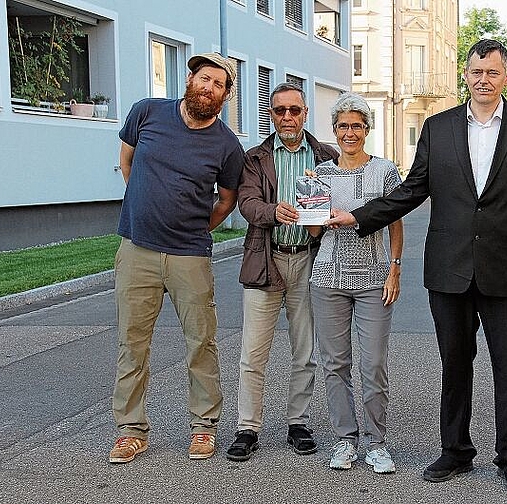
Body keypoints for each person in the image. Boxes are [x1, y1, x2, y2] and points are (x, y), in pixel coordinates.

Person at [325, 39, 507, 492]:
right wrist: (360, 216)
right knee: (455, 363)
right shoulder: (438, 128)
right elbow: (411, 190)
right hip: (449, 270)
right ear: (466, 75)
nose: (483, 80)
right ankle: (455, 451)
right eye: (476, 72)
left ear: (506, 77)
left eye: (493, 73)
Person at [108, 52, 244, 463]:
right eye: (204, 78)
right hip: (137, 249)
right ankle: (131, 431)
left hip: (190, 255)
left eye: (218, 84)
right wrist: (144, 207)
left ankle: (204, 427)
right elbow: (127, 161)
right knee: (132, 344)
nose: (209, 87)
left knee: (201, 341)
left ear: (225, 94)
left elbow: (227, 200)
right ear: (190, 79)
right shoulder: (147, 112)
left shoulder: (227, 144)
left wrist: (199, 228)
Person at [227, 83, 338, 461]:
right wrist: (272, 212)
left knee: (304, 350)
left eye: (294, 110)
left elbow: (339, 203)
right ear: (270, 115)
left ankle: (298, 423)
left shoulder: (327, 155)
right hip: (266, 258)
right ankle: (247, 428)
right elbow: (247, 202)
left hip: (310, 258)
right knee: (253, 352)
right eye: (279, 111)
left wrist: (324, 222)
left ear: (306, 113)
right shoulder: (255, 157)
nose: (287, 117)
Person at [305, 93, 403, 474]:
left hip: (375, 278)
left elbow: (396, 221)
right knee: (334, 363)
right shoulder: (321, 173)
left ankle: (376, 443)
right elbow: (313, 231)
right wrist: (311, 206)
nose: (350, 132)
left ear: (367, 129)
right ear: (334, 131)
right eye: (343, 126)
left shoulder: (385, 171)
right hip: (327, 277)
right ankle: (345, 440)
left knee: (374, 363)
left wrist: (395, 267)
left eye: (357, 125)